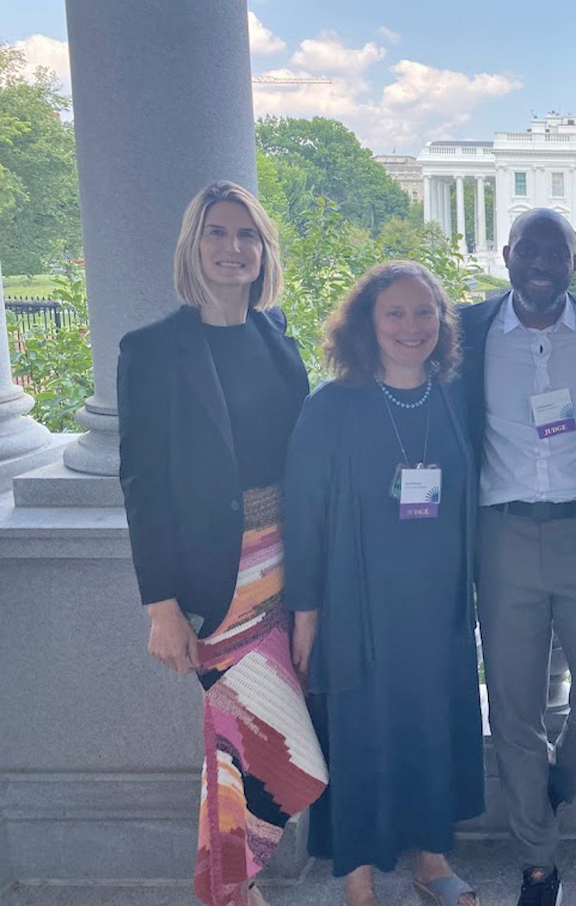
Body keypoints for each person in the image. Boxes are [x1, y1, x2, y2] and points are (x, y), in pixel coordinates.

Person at [117, 180, 327, 906]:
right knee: (239, 732)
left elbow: (304, 456)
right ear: (192, 245)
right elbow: (142, 486)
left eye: (246, 235)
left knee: (252, 735)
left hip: (285, 563)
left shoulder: (279, 338)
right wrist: (160, 606)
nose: (232, 248)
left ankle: (229, 882)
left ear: (263, 249)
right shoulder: (151, 350)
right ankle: (232, 887)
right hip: (215, 578)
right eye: (216, 233)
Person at [283, 261, 484, 906]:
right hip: (358, 602)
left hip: (437, 605)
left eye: (425, 311)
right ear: (367, 324)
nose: (412, 326)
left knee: (433, 725)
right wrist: (306, 613)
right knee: (362, 733)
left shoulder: (454, 397)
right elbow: (304, 514)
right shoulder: (331, 406)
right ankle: (360, 877)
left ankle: (432, 860)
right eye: (394, 313)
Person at [457, 208, 576, 906]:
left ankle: (548, 790)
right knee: (514, 707)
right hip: (500, 537)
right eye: (528, 250)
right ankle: (537, 861)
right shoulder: (467, 331)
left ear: (573, 259)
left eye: (554, 252)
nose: (540, 263)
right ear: (506, 255)